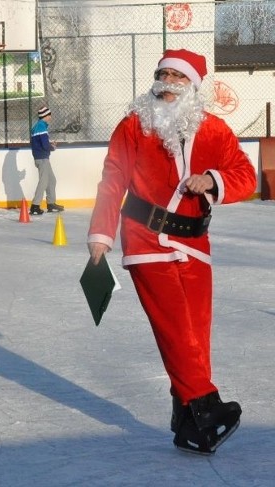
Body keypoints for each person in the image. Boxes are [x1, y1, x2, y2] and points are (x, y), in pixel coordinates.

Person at [87, 49, 256, 454]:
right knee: (176, 328)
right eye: (162, 74)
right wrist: (101, 234)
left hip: (195, 244)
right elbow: (113, 180)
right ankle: (205, 407)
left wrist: (213, 180)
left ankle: (187, 421)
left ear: (193, 87)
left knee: (196, 335)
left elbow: (246, 176)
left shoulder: (214, 130)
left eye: (178, 77)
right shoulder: (133, 126)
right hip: (145, 240)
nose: (168, 82)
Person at [29, 106, 64, 215]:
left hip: (42, 157)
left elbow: (42, 143)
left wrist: (49, 145)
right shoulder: (41, 127)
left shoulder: (39, 126)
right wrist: (52, 147)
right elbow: (44, 145)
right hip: (42, 158)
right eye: (49, 115)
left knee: (51, 180)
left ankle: (51, 203)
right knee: (44, 182)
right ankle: (35, 205)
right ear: (45, 116)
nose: (50, 117)